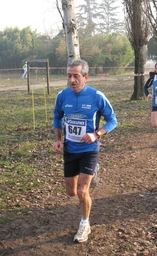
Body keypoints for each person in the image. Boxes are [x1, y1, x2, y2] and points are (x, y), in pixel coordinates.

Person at [53, 59, 118, 243]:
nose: (72, 80)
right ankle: (92, 174)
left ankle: (84, 224)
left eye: (76, 76)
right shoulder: (62, 96)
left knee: (83, 192)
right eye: (69, 76)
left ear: (86, 77)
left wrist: (97, 134)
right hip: (70, 149)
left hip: (90, 149)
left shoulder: (97, 96)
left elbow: (113, 121)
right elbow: (57, 117)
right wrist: (57, 139)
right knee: (71, 192)